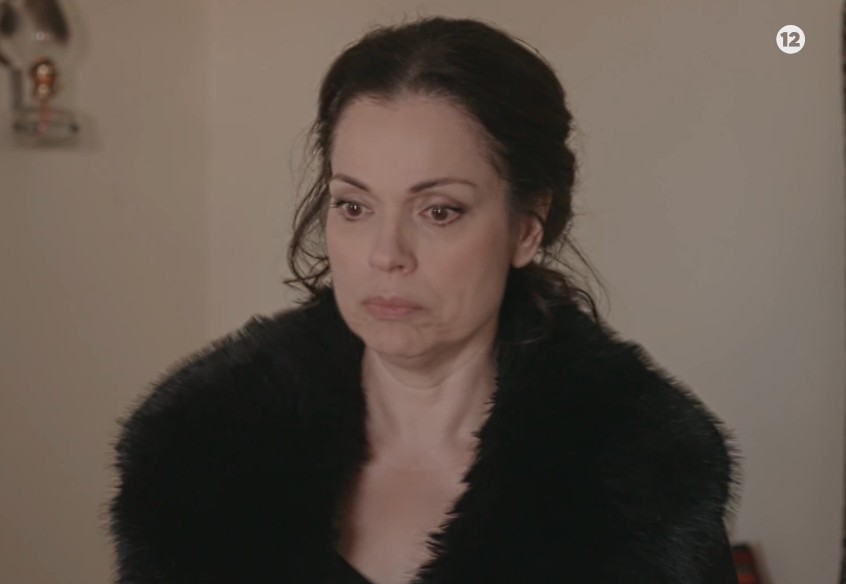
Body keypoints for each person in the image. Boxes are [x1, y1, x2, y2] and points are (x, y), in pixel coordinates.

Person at [108, 15, 739, 584]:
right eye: (354, 206)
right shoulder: (200, 458)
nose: (386, 254)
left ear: (527, 227)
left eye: (439, 211)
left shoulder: (643, 483)